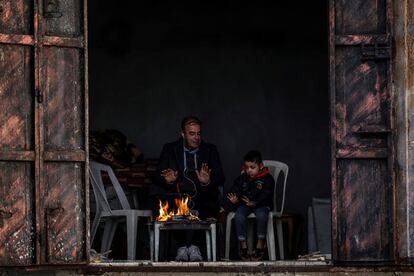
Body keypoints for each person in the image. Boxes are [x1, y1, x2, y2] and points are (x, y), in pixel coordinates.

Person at [154, 116, 225, 261]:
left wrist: (207, 181)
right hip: (178, 193)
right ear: (182, 134)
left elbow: (221, 177)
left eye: (198, 133)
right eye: (192, 134)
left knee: (204, 204)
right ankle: (181, 247)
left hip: (203, 194)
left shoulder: (210, 150)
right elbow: (157, 176)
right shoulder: (170, 149)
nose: (196, 137)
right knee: (175, 204)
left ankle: (194, 247)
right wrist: (168, 180)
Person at [227, 150, 275, 261]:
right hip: (245, 205)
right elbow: (236, 189)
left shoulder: (268, 179)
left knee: (262, 216)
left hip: (261, 204)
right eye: (247, 167)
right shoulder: (243, 178)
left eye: (252, 167)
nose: (249, 170)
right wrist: (234, 198)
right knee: (239, 215)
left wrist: (255, 202)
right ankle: (243, 244)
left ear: (261, 166)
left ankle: (260, 242)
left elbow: (266, 194)